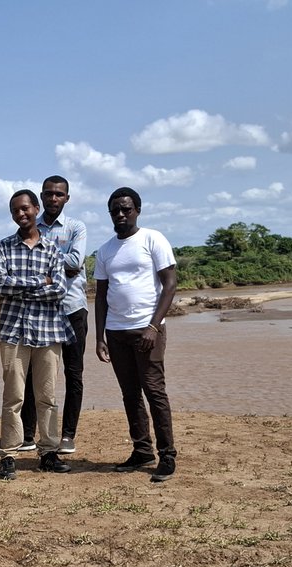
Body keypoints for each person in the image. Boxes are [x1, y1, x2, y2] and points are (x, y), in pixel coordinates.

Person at [94, 187, 178, 482]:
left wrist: (154, 326)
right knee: (130, 394)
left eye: (126, 209)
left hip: (147, 330)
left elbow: (169, 285)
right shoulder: (104, 250)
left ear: (137, 210)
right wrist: (99, 337)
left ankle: (167, 455)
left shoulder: (152, 239)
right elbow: (101, 296)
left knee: (154, 391)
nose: (120, 214)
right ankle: (142, 450)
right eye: (115, 210)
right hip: (116, 333)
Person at [0, 190, 72, 480]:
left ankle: (49, 452)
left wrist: (22, 286)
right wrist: (41, 281)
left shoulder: (52, 249)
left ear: (36, 209)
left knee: (47, 396)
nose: (21, 214)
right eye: (15, 210)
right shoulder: (3, 247)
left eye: (25, 208)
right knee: (13, 397)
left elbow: (59, 289)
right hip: (13, 332)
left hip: (48, 332)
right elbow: (0, 284)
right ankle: (9, 455)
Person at [19, 175, 88, 453]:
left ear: (67, 198)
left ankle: (68, 435)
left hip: (72, 308)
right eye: (48, 194)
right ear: (41, 197)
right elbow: (23, 267)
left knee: (74, 374)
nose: (54, 199)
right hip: (40, 311)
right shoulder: (30, 227)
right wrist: (56, 264)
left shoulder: (76, 226)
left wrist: (42, 263)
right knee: (33, 373)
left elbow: (77, 262)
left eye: (59, 194)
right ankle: (27, 435)